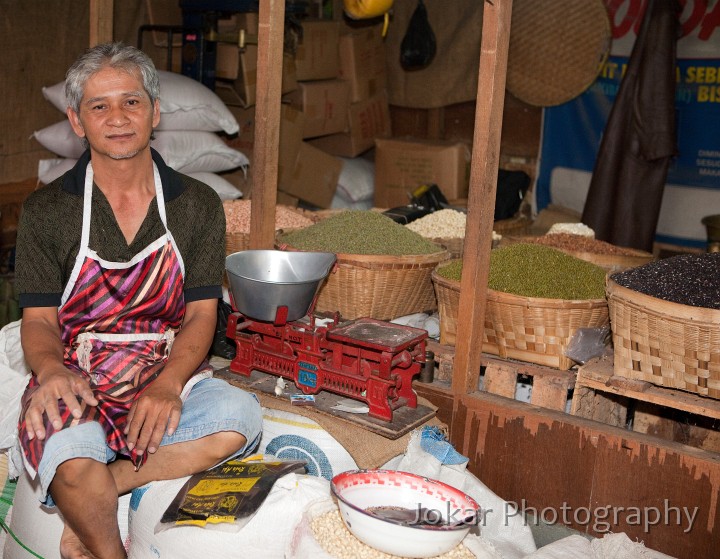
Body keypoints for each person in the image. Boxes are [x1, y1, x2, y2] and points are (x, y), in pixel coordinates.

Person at [14, 42, 262, 559]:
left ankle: (106, 486)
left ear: (155, 110)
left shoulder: (196, 205)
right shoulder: (48, 211)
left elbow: (201, 314)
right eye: (99, 106)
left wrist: (170, 385)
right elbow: (38, 319)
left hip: (161, 365)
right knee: (67, 457)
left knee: (238, 420)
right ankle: (110, 547)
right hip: (78, 372)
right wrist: (52, 372)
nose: (118, 118)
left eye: (132, 102)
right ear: (77, 122)